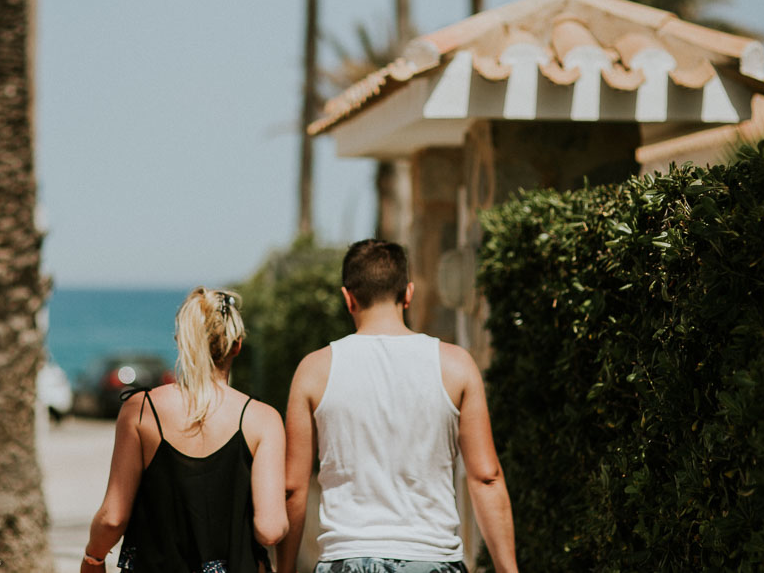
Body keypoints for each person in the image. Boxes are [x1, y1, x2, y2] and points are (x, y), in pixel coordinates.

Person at [277, 240, 519, 573]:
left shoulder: (314, 370)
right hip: (433, 559)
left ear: (349, 299)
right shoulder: (455, 366)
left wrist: (285, 567)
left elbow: (294, 487)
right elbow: (487, 478)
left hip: (347, 559)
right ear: (408, 294)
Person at [81, 287, 288, 572]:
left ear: (181, 341)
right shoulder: (263, 419)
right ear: (237, 346)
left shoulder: (141, 410)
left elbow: (113, 518)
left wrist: (93, 558)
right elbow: (270, 529)